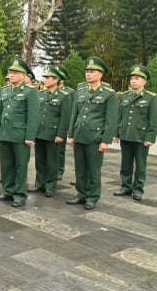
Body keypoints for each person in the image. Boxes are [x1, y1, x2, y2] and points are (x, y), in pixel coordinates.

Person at [67, 56, 117, 210]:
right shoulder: (81, 90)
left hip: (95, 138)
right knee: (80, 168)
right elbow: (74, 114)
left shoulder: (109, 94)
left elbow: (111, 119)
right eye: (87, 71)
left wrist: (105, 140)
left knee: (93, 170)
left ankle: (92, 196)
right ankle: (81, 194)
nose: (88, 74)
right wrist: (71, 135)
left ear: (100, 74)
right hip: (80, 135)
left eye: (92, 71)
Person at [0, 57, 39, 207]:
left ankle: (19, 194)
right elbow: (0, 112)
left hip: (20, 135)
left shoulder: (29, 92)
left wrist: (30, 136)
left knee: (20, 165)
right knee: (6, 164)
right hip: (6, 133)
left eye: (15, 72)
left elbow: (33, 116)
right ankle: (8, 190)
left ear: (23, 75)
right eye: (10, 72)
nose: (11, 75)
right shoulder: (4, 90)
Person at [113, 65, 156, 201]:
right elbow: (119, 116)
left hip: (141, 137)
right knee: (125, 163)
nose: (133, 81)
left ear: (144, 81)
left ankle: (138, 189)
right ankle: (126, 186)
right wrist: (116, 133)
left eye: (137, 78)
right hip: (126, 135)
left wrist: (150, 137)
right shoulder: (124, 96)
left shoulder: (151, 98)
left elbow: (154, 120)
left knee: (141, 165)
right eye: (132, 79)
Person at [30, 65, 71, 197]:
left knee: (52, 162)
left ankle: (50, 186)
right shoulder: (40, 94)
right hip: (40, 132)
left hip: (53, 134)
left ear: (56, 80)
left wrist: (60, 134)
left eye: (48, 78)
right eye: (45, 78)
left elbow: (65, 117)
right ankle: (39, 184)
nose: (45, 80)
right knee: (40, 161)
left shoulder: (63, 96)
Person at [55, 65, 75, 181]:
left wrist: (68, 126)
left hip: (61, 124)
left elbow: (71, 110)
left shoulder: (69, 92)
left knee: (60, 150)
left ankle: (59, 169)